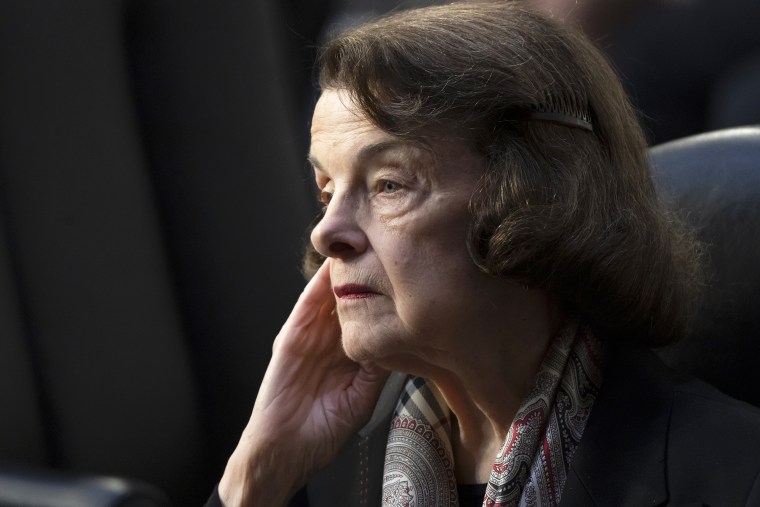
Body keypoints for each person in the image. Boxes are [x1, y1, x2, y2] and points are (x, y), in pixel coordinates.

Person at [208, 3, 760, 506]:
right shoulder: (316, 479)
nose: (326, 234)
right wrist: (256, 475)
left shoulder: (734, 474)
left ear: (539, 199)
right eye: (327, 192)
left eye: (389, 185)